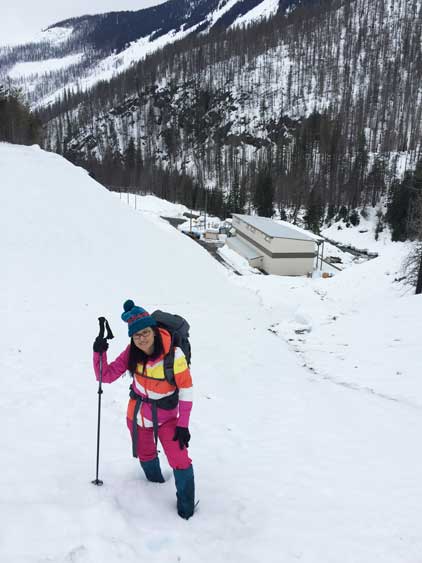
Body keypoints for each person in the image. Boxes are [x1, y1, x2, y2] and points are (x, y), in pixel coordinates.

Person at [93, 299, 195, 519]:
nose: (142, 338)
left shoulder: (174, 354)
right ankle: (154, 489)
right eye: (136, 335)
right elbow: (105, 375)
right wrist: (99, 353)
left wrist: (183, 424)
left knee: (179, 459)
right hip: (137, 415)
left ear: (154, 330)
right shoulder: (132, 351)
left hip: (167, 418)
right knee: (145, 454)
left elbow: (186, 389)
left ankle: (186, 510)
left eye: (145, 332)